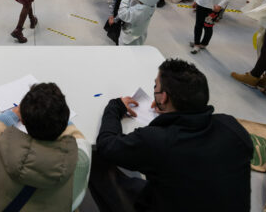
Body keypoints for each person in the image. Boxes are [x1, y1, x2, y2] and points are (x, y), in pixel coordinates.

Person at [90, 58, 253, 212]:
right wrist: (170, 112)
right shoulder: (232, 127)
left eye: (155, 87)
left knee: (94, 160)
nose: (154, 90)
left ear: (165, 96)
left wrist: (115, 106)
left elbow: (107, 145)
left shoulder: (158, 140)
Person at [0, 83, 91, 211]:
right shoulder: (80, 160)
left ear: (23, 120)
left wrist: (11, 115)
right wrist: (56, 116)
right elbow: (79, 140)